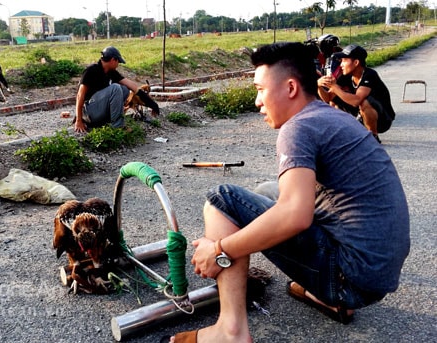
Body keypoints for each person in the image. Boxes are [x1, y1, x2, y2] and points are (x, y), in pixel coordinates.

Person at [164, 42, 410, 343]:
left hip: (351, 278)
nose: (257, 102)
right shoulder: (330, 116)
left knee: (223, 200)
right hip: (375, 275)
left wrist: (220, 250)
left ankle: (230, 331)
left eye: (260, 89)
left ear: (291, 87)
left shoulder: (299, 127)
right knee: (267, 190)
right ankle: (328, 300)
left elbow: (295, 215)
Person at [317, 44, 395, 143]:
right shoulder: (345, 76)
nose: (341, 64)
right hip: (360, 116)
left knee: (364, 102)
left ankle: (373, 136)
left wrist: (334, 86)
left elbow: (356, 101)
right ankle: (341, 133)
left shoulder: (369, 75)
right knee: (334, 101)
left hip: (383, 119)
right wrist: (318, 86)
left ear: (356, 62)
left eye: (344, 60)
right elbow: (328, 98)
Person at [73, 46, 160, 133]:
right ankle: (117, 127)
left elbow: (134, 87)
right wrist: (78, 120)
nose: (118, 64)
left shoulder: (111, 73)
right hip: (89, 113)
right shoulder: (91, 71)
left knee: (124, 90)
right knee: (115, 88)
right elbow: (80, 96)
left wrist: (152, 104)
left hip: (98, 111)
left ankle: (108, 122)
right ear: (113, 60)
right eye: (118, 61)